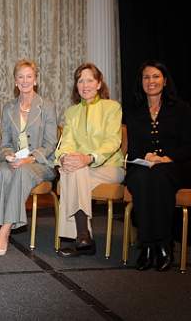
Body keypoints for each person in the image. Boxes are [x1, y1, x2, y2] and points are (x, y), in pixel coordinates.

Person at [125, 60, 191, 271]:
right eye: (146, 77)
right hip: (144, 166)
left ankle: (163, 244)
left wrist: (165, 158)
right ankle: (147, 246)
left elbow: (187, 147)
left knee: (158, 177)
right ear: (141, 82)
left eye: (156, 76)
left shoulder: (181, 108)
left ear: (165, 81)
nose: (151, 81)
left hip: (176, 167)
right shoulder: (134, 110)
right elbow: (133, 149)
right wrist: (145, 157)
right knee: (140, 178)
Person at [54, 63, 124, 257]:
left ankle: (80, 236)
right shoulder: (71, 112)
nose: (85, 85)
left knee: (71, 175)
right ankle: (84, 237)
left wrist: (89, 158)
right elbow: (66, 142)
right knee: (71, 170)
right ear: (76, 85)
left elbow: (112, 141)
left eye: (90, 80)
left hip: (110, 167)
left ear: (99, 83)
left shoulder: (112, 107)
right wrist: (65, 157)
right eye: (80, 80)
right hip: (81, 168)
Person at [0, 60, 58, 256]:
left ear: (35, 80)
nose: (25, 80)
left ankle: (4, 230)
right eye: (21, 77)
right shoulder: (8, 108)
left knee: (21, 171)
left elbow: (50, 144)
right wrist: (8, 156)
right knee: (2, 171)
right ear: (15, 81)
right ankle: (8, 223)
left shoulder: (47, 106)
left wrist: (29, 159)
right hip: (15, 161)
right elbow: (5, 143)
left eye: (29, 76)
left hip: (40, 163)